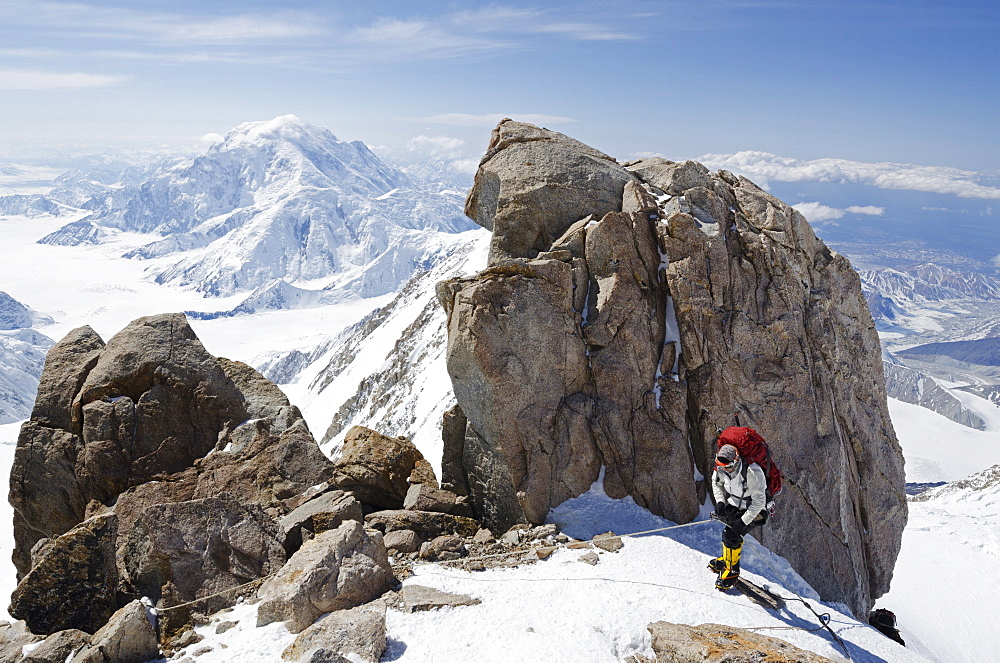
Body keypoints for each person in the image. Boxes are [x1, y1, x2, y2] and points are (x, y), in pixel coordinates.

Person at [709, 443, 768, 590]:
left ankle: (732, 570)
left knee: (731, 536)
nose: (725, 470)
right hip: (735, 504)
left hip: (755, 510)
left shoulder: (753, 472)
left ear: (736, 461)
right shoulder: (721, 467)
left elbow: (759, 502)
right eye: (722, 467)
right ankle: (728, 560)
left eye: (728, 467)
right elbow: (717, 484)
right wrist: (721, 502)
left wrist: (743, 522)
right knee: (730, 534)